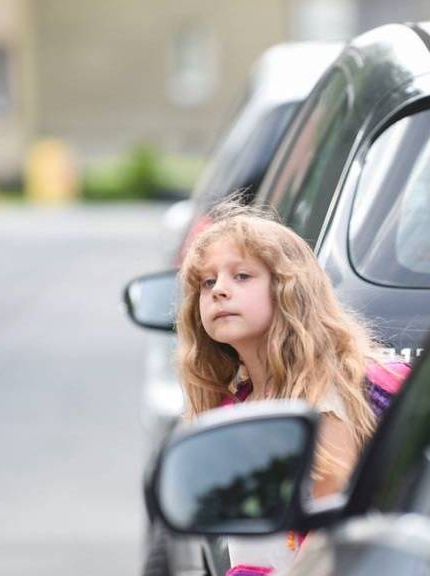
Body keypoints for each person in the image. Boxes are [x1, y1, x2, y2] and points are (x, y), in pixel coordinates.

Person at [174, 203, 408, 575]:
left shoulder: (322, 392)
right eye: (208, 282)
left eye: (242, 276)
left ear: (289, 289)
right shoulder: (248, 400)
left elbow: (329, 531)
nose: (219, 290)